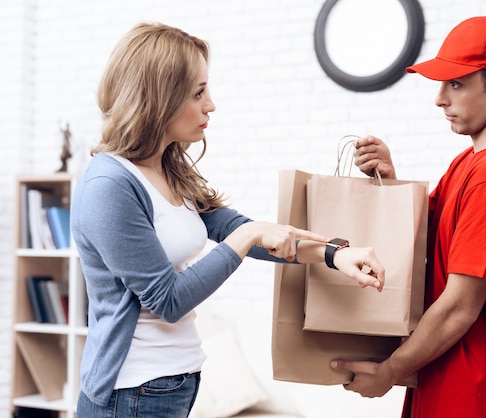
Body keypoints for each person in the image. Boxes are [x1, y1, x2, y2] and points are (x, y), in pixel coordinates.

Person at [71, 22, 385, 418]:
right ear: (158, 98)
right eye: (198, 93)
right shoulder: (108, 186)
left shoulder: (169, 168)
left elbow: (242, 231)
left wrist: (334, 254)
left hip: (176, 381)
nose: (211, 105)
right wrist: (247, 235)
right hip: (132, 391)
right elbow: (168, 300)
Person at [331, 14, 486, 417]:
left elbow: (459, 306)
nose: (439, 99)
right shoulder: (469, 163)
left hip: (480, 396)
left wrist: (388, 373)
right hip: (447, 383)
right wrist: (390, 177)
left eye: (456, 83)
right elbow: (426, 245)